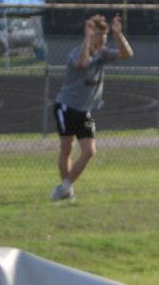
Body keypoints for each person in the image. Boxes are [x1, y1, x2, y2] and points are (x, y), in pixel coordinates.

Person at [50, 14, 133, 201]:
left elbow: (127, 54)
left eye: (105, 38)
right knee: (67, 150)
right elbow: (82, 63)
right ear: (91, 35)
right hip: (66, 107)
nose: (102, 41)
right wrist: (87, 38)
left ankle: (64, 187)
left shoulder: (103, 53)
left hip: (84, 111)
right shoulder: (77, 52)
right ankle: (67, 191)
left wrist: (118, 34)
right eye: (99, 37)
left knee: (89, 151)